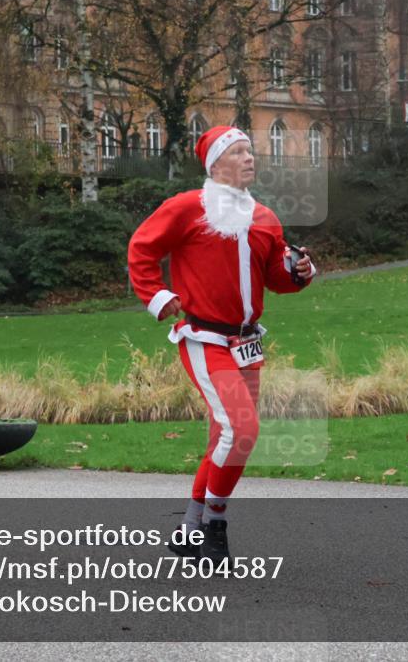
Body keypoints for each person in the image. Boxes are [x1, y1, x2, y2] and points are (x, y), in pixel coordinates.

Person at [127, 125, 317, 563]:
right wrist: (158, 296)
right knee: (243, 430)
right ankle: (215, 525)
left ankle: (190, 530)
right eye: (238, 152)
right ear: (215, 164)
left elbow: (274, 277)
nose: (250, 157)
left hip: (248, 344)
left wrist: (298, 274)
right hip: (204, 337)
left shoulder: (265, 216)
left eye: (251, 150)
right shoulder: (186, 208)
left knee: (224, 436)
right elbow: (141, 249)